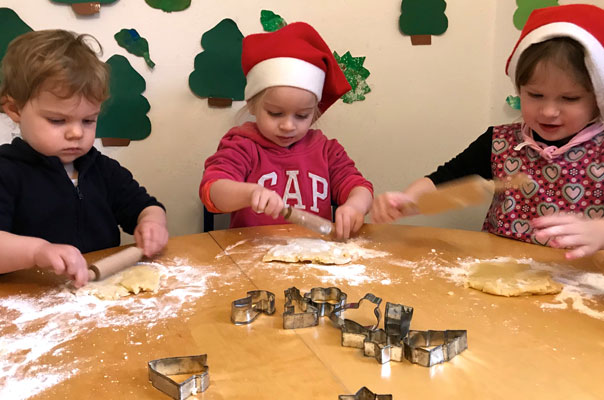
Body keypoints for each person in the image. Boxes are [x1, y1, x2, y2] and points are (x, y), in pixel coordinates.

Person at [372, 4, 604, 260]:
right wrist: (407, 200)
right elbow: (445, 179)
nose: (549, 111)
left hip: (580, 280)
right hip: (500, 273)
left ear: (598, 97)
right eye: (535, 95)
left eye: (569, 99)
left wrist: (599, 232)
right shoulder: (500, 142)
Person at [0, 30, 169, 287]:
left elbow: (146, 206)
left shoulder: (103, 170)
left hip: (96, 294)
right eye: (57, 120)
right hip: (31, 300)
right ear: (14, 109)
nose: (77, 132)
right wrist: (36, 252)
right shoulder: (7, 172)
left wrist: (152, 223)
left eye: (89, 120)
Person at [200, 22, 373, 239]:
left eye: (302, 116)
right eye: (275, 113)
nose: (288, 126)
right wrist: (250, 193)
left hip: (315, 254)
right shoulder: (242, 146)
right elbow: (213, 191)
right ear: (253, 105)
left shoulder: (326, 151)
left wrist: (355, 206)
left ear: (315, 112)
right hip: (251, 257)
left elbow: (359, 187)